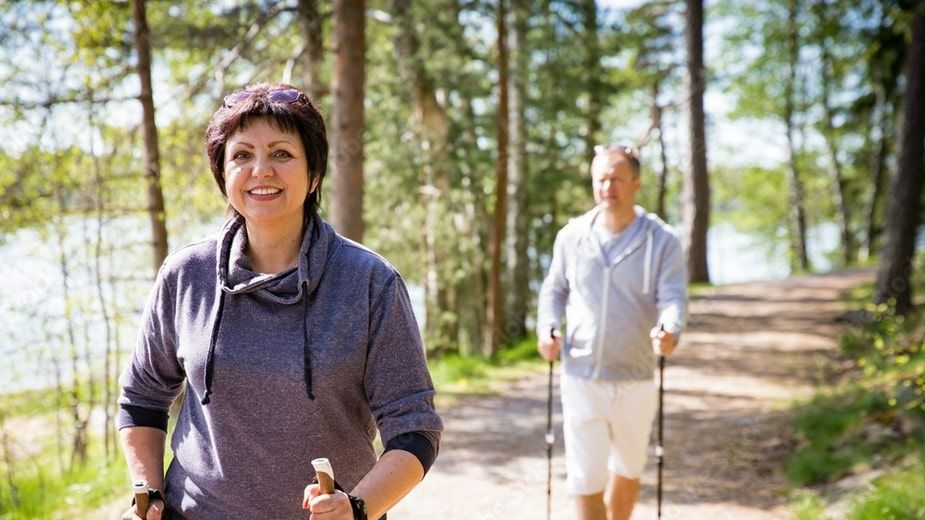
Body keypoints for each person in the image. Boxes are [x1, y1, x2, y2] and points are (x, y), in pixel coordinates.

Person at [118, 83, 443, 520]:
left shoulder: (370, 282)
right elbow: (142, 399)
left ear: (314, 174)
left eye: (281, 154)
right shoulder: (185, 274)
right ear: (223, 175)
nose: (261, 170)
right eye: (242, 155)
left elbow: (415, 429)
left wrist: (357, 508)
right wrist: (148, 493)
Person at [536, 144, 687, 520]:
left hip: (635, 377)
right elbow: (554, 290)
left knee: (628, 469)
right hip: (580, 375)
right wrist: (547, 327)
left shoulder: (662, 239)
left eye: (617, 179)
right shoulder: (572, 236)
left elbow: (673, 296)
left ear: (636, 183)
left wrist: (670, 328)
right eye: (601, 179)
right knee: (585, 479)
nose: (608, 187)